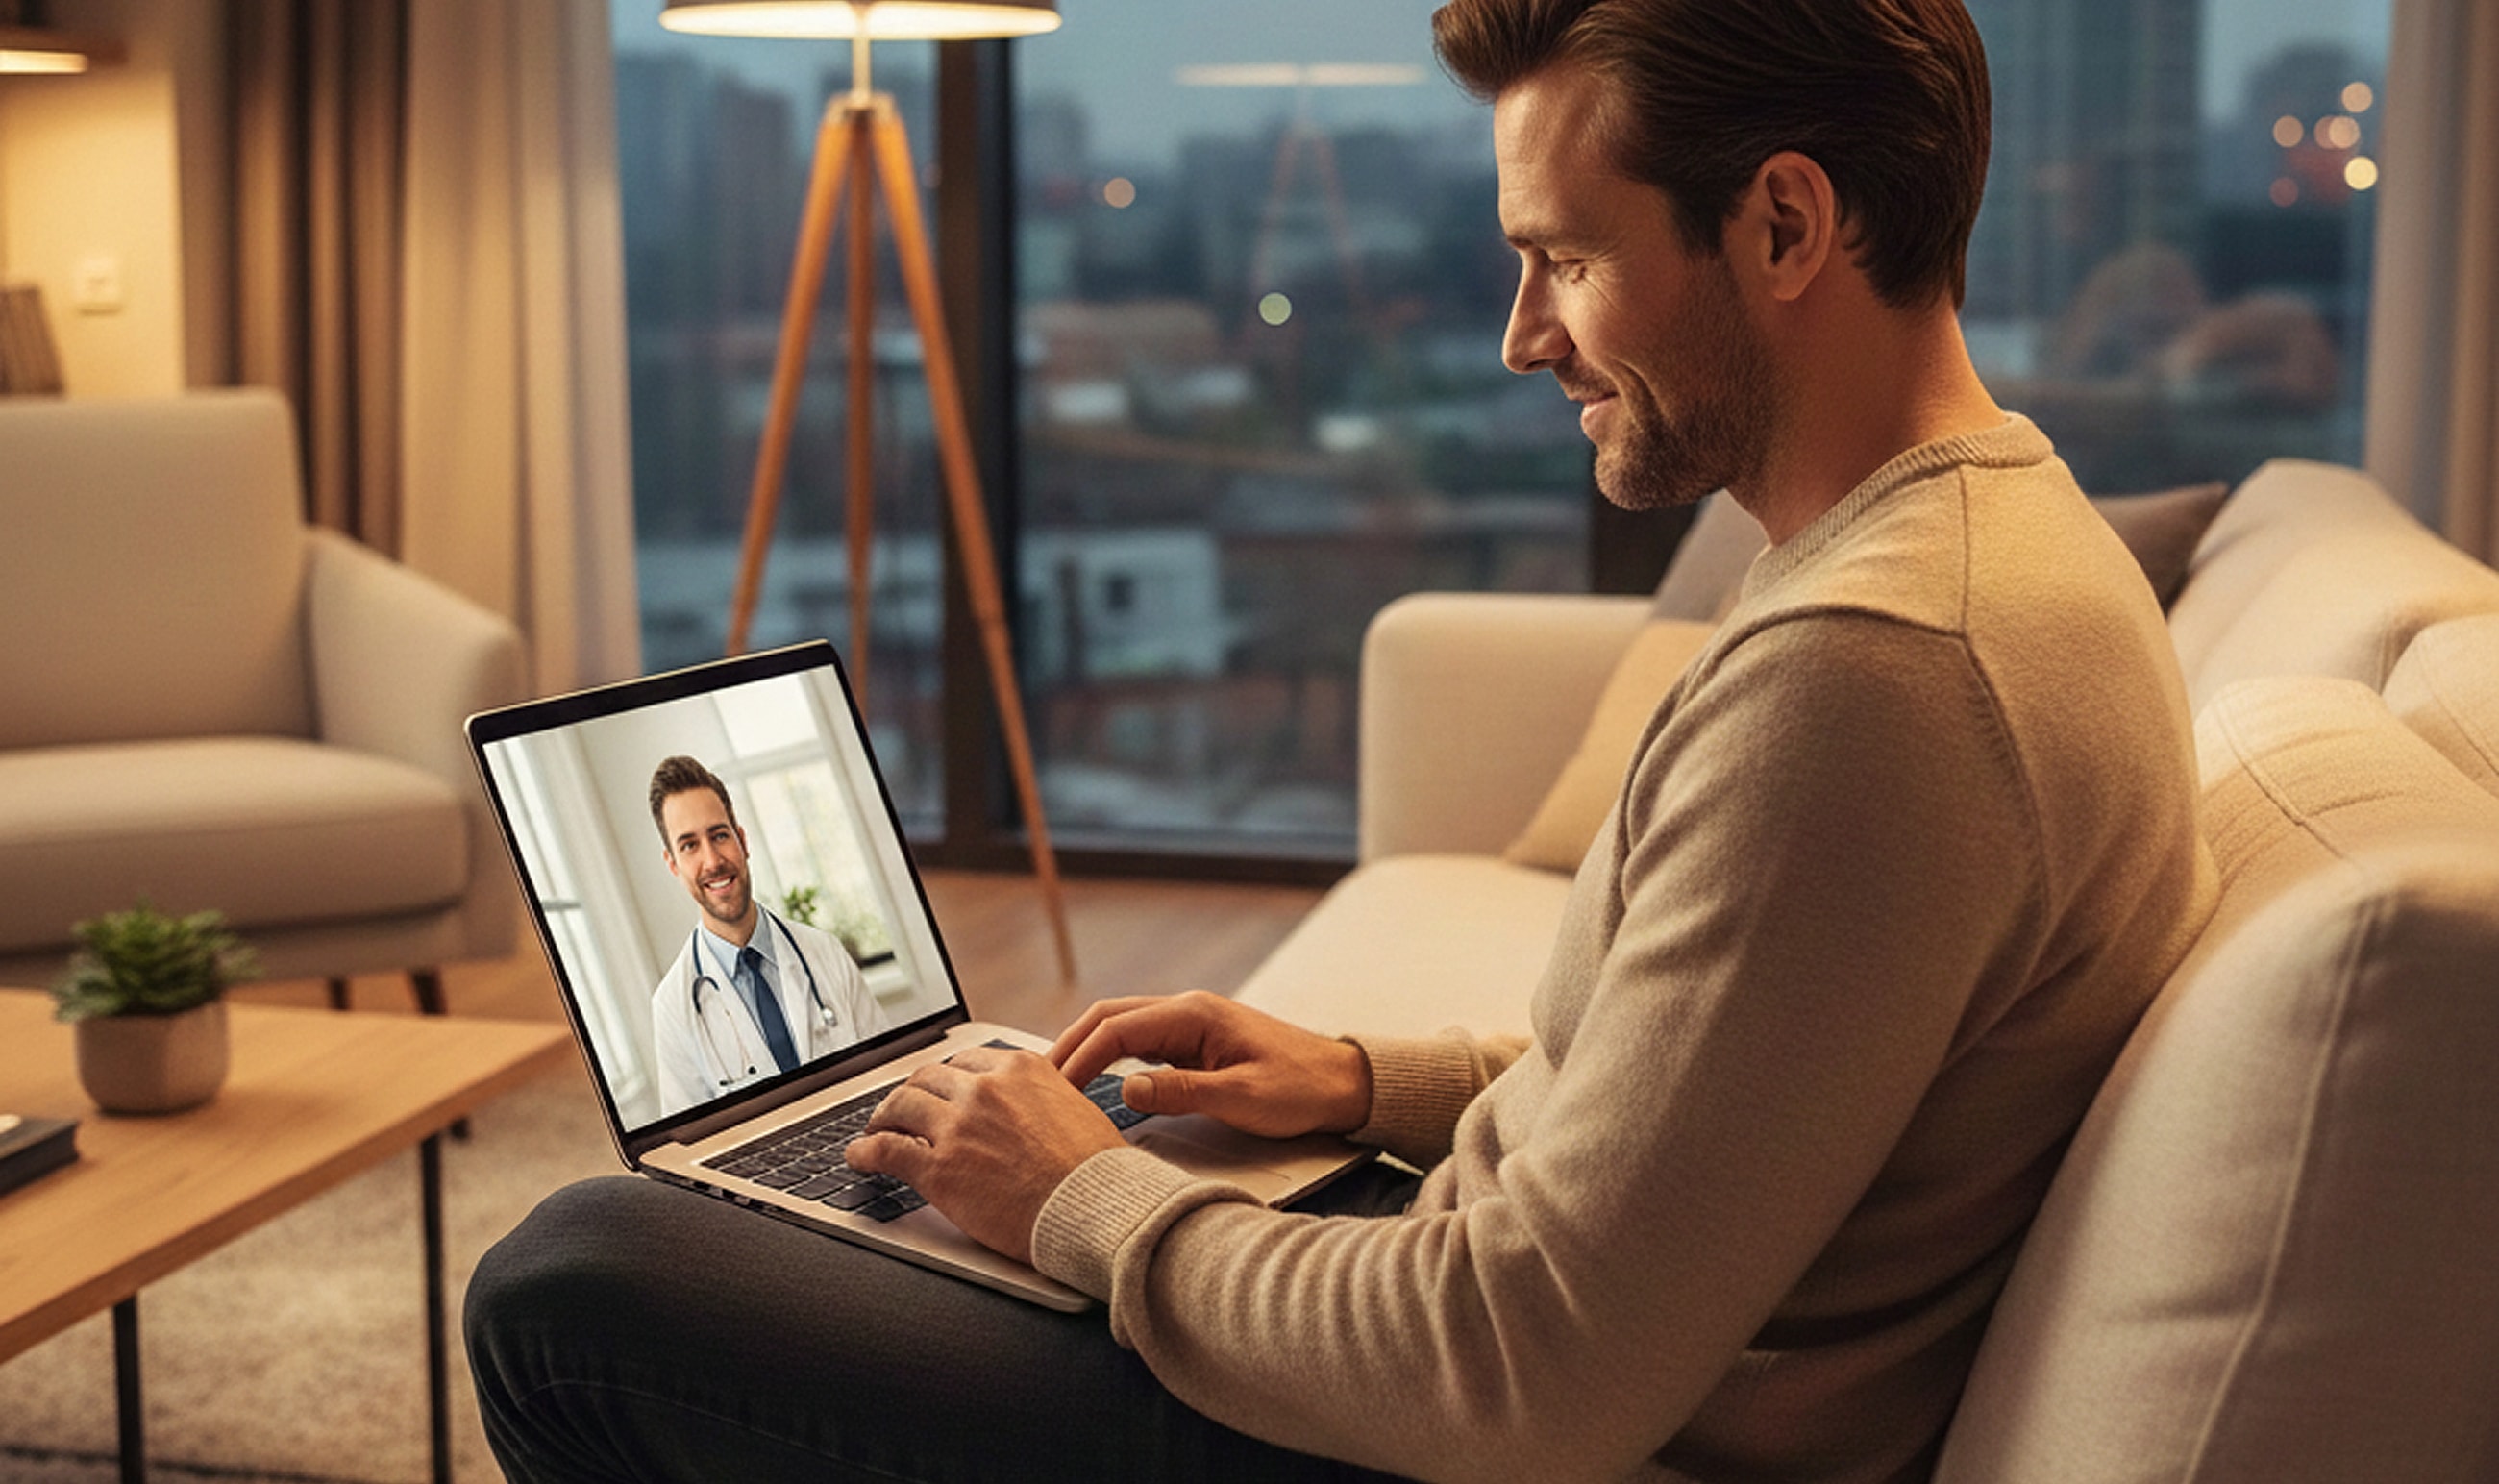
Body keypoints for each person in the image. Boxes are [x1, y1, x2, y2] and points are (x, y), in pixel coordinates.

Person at [467, 2, 2217, 1479]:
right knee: (852, 1199)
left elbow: (1524, 1371)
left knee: (578, 1273)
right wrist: (1365, 1083)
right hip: (1487, 1321)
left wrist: (1085, 1204)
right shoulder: (2011, 548)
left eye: (1569, 257)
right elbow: (1743, 1105)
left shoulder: (1875, 675)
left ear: (1781, 226)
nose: (1526, 333)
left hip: (1452, 1424)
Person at [645, 754, 887, 1118]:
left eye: (719, 835)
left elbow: (889, 1075)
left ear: (742, 840)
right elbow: (693, 1147)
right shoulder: (672, 1007)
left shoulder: (825, 952)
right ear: (672, 865)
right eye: (690, 845)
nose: (712, 861)